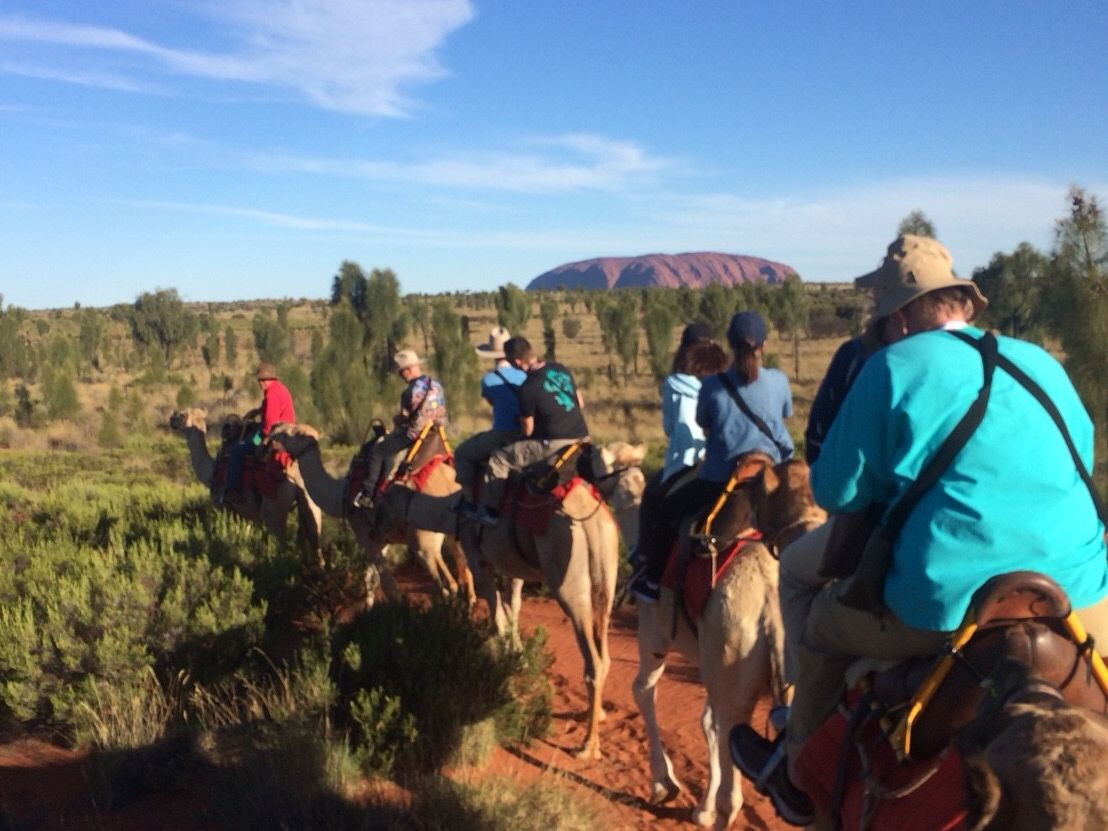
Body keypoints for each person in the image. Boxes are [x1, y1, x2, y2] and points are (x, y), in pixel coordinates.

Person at [732, 234, 1108, 828]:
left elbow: (836, 492)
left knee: (815, 610)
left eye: (879, 320)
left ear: (900, 319)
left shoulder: (892, 366)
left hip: (945, 605)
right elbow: (1080, 458)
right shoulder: (1041, 362)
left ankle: (797, 766)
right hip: (1076, 594)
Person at [631, 310, 794, 602]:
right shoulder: (779, 380)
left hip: (721, 479)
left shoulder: (712, 386)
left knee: (668, 510)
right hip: (772, 474)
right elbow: (785, 414)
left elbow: (705, 424)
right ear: (764, 345)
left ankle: (652, 581)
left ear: (729, 344)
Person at [628, 323, 729, 598]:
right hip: (726, 460)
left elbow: (671, 428)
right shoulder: (726, 378)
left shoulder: (674, 384)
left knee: (655, 501)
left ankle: (648, 568)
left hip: (685, 461)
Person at [473, 336, 588, 526]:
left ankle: (490, 512)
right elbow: (580, 403)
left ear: (518, 361)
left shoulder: (528, 387)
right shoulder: (560, 369)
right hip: (582, 438)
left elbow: (527, 430)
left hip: (554, 444)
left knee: (499, 458)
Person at [353, 349, 447, 509]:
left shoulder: (410, 391)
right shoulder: (436, 385)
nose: (400, 376)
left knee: (379, 451)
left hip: (415, 433)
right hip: (436, 433)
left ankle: (368, 495)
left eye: (401, 372)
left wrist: (397, 419)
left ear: (407, 370)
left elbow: (405, 418)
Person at [453, 326, 527, 517]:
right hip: (527, 433)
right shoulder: (525, 376)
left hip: (502, 434)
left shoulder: (488, 380)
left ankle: (469, 502)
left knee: (462, 454)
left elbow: (492, 402)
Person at [221, 362, 295, 503]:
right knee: (252, 433)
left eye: (264, 380)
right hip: (285, 432)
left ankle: (233, 489)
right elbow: (266, 409)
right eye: (260, 380)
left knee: (238, 449)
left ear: (271, 379)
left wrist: (261, 439)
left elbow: (269, 424)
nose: (260, 383)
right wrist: (256, 412)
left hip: (273, 435)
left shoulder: (272, 394)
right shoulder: (280, 389)